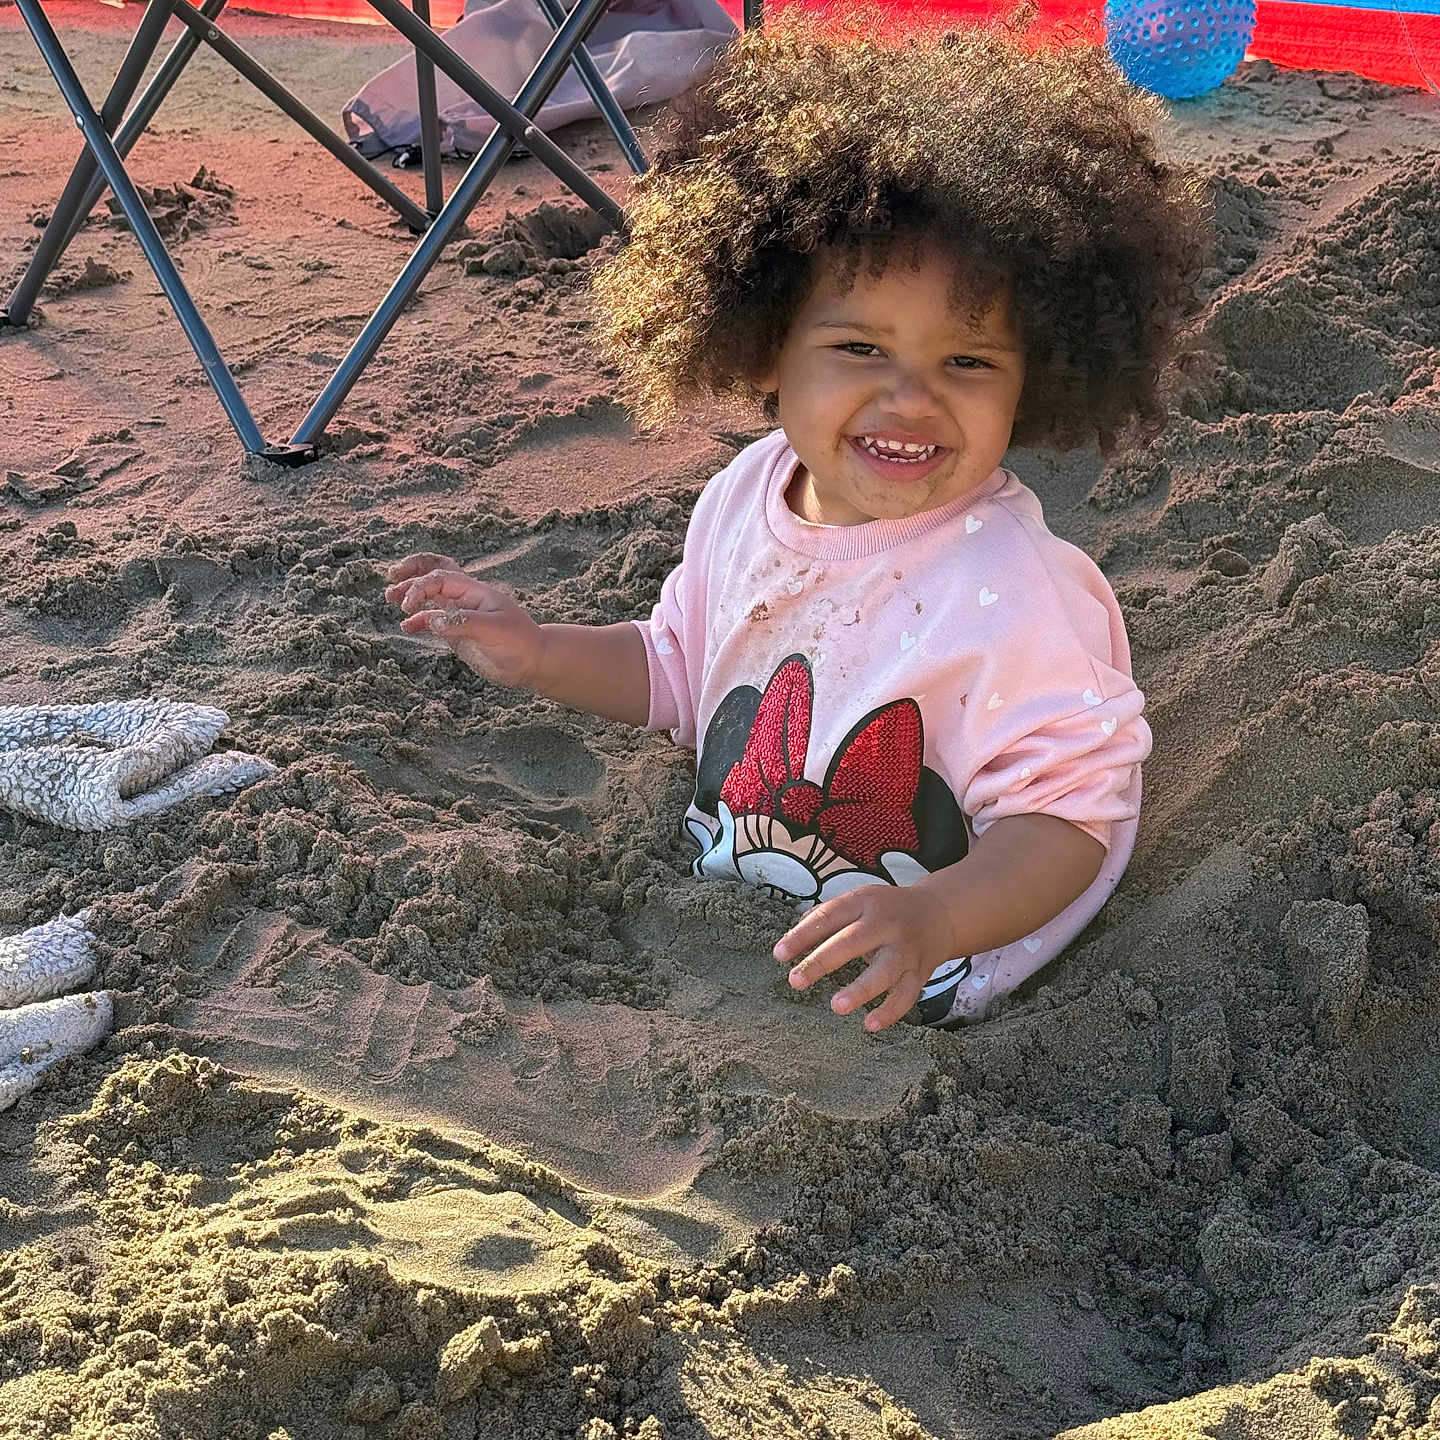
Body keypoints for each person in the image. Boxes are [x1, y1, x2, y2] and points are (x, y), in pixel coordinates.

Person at [384, 15, 1212, 1031]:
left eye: (968, 361)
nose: (911, 399)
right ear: (767, 348)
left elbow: (1072, 820)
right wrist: (539, 649)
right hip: (733, 933)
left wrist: (934, 917)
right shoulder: (745, 494)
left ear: (1036, 379)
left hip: (915, 982)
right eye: (860, 348)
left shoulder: (1016, 592)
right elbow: (684, 667)